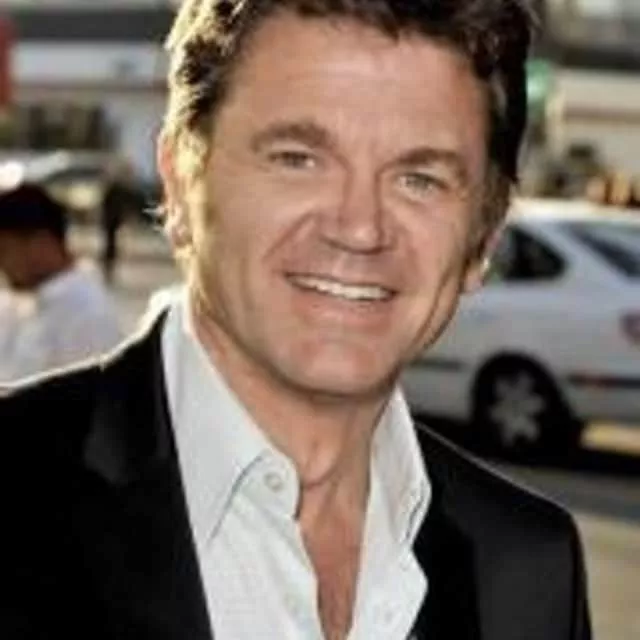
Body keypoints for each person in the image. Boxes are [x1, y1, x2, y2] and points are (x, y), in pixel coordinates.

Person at [1, 1, 591, 639]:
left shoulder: (529, 570)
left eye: (419, 179)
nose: (359, 228)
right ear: (178, 183)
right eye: (297, 158)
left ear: (483, 238)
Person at [0, 182, 122, 382]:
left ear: (40, 243)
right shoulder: (15, 301)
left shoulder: (87, 316)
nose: (2, 264)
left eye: (4, 250)